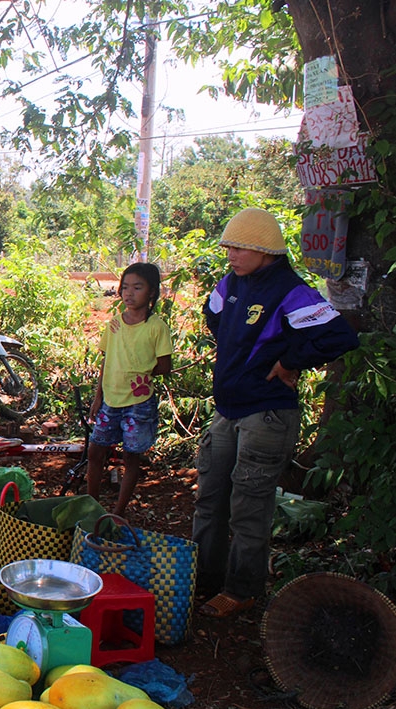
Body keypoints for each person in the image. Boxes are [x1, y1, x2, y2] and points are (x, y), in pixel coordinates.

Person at [193, 208, 359, 619]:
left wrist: (288, 362)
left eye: (238, 247)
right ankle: (201, 578)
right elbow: (212, 315)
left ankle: (242, 589)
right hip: (227, 411)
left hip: (266, 415)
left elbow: (338, 336)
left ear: (264, 249)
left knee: (249, 505)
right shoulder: (232, 282)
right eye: (228, 246)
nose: (229, 253)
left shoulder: (289, 290)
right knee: (210, 500)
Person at [86, 262, 173, 515]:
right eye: (125, 287)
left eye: (137, 287)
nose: (129, 293)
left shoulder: (156, 327)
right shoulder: (114, 325)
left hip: (139, 403)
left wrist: (141, 372)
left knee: (131, 456)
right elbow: (106, 361)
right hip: (110, 400)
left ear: (152, 293)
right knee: (95, 451)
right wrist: (97, 397)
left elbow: (164, 365)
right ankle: (91, 507)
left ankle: (119, 511)